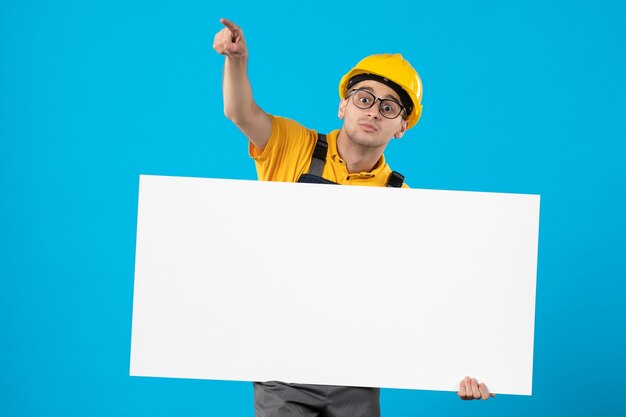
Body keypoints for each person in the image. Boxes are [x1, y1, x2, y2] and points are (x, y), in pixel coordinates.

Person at [213, 17, 495, 416]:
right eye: (364, 98)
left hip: (357, 373)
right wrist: (237, 61)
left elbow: (429, 294)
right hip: (283, 365)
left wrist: (468, 368)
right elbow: (239, 112)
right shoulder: (292, 146)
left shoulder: (405, 201)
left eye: (389, 107)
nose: (373, 111)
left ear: (402, 127)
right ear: (344, 105)